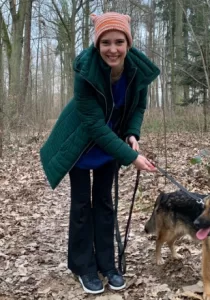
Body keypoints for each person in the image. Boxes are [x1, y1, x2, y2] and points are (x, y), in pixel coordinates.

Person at [39, 12, 159, 294]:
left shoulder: (137, 72)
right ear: (97, 45)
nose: (113, 49)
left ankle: (108, 264)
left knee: (104, 203)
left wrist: (132, 133)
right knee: (82, 205)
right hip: (81, 144)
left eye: (119, 41)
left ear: (128, 43)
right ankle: (84, 266)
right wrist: (131, 157)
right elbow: (93, 125)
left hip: (111, 145)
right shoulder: (84, 72)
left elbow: (138, 108)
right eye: (106, 42)